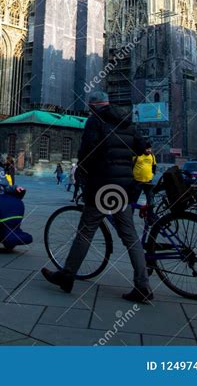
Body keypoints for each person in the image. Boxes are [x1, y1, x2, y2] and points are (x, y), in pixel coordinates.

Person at [41, 90, 152, 303]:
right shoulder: (126, 121)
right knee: (130, 235)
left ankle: (67, 276)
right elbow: (142, 148)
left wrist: (82, 174)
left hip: (102, 185)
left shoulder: (95, 121)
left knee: (86, 231)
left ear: (94, 106)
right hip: (122, 187)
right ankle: (143, 286)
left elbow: (87, 152)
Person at [132, 143, 156, 209]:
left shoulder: (152, 156)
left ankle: (150, 216)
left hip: (148, 181)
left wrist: (152, 174)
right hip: (137, 181)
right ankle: (130, 215)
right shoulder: (137, 155)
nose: (149, 150)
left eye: (150, 149)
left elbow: (154, 166)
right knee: (134, 199)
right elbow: (131, 165)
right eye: (147, 149)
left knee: (150, 200)